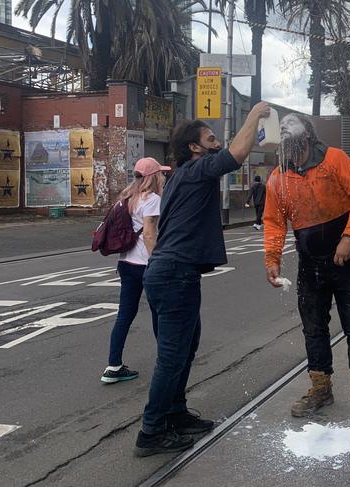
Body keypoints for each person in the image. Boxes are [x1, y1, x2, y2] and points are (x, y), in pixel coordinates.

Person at [134, 102, 271, 458]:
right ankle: (151, 431)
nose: (216, 143)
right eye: (210, 139)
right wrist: (255, 112)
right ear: (195, 147)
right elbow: (237, 153)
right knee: (172, 355)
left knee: (183, 350)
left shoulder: (184, 174)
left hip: (173, 271)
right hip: (175, 272)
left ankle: (175, 414)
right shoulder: (197, 170)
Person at [263, 113, 350, 427]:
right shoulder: (279, 176)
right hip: (310, 264)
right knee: (313, 328)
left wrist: (349, 236)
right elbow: (274, 221)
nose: (286, 140)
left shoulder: (334, 159)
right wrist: (272, 259)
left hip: (346, 259)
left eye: (291, 134)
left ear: (306, 136)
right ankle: (321, 388)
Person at [101, 158, 169, 384]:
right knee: (159, 314)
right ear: (153, 177)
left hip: (126, 263)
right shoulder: (152, 199)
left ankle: (113, 365)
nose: (164, 177)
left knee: (124, 315)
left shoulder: (127, 198)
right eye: (161, 174)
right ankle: (167, 361)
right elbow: (149, 234)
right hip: (145, 265)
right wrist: (158, 261)